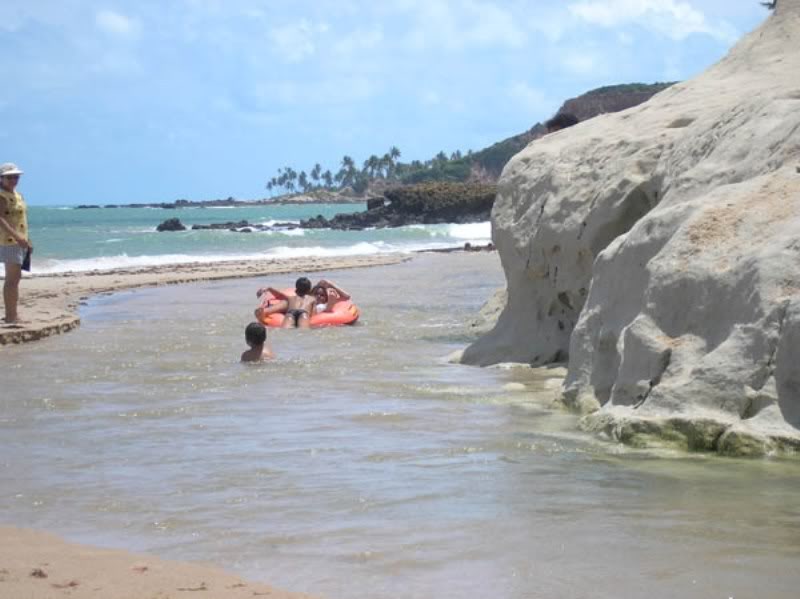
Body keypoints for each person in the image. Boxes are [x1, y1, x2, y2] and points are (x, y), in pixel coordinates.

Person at [0, 163, 32, 324]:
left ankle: (12, 314)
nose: (13, 179)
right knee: (12, 279)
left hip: (20, 241)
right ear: (2, 179)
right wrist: (17, 237)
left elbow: (22, 220)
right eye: (9, 177)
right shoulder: (2, 196)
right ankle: (11, 317)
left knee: (16, 278)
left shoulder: (18, 195)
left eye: (16, 177)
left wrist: (27, 239)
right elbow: (1, 219)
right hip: (9, 241)